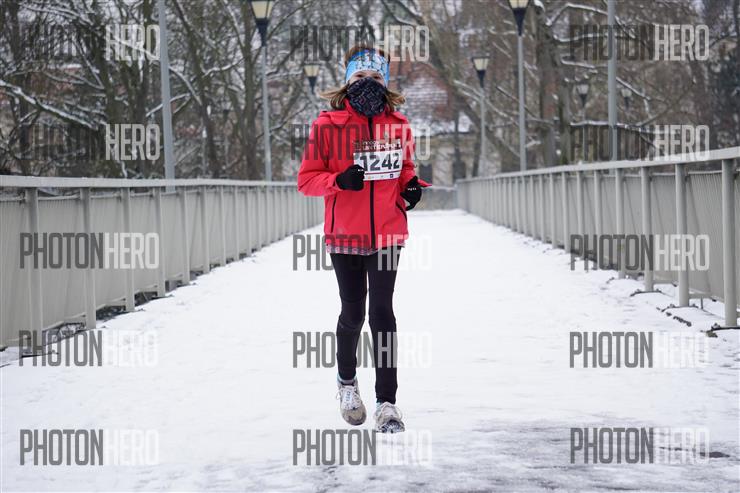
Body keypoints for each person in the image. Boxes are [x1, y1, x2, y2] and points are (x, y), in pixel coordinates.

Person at [297, 45, 429, 433]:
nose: (366, 83)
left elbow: (405, 170)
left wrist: (412, 187)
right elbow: (306, 181)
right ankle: (347, 383)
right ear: (346, 81)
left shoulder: (399, 125)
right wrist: (338, 181)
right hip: (345, 234)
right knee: (353, 312)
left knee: (382, 313)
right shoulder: (326, 126)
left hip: (388, 231)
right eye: (359, 77)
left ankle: (387, 403)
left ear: (384, 83)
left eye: (374, 77)